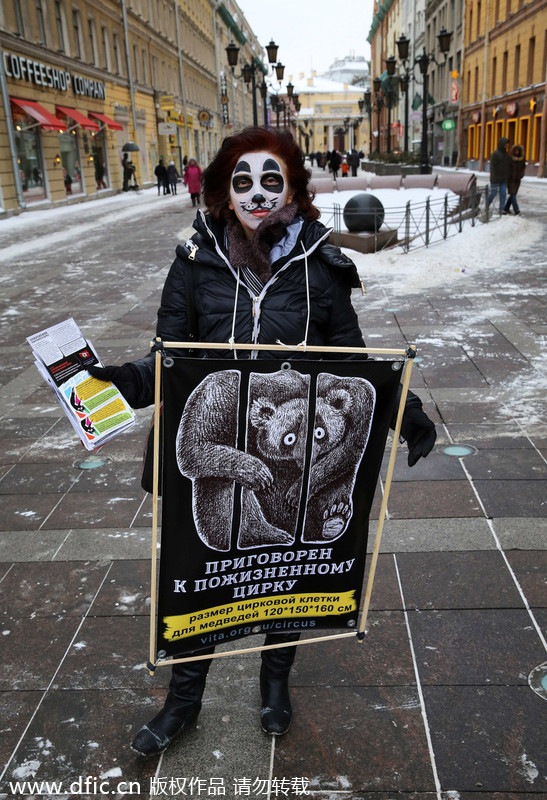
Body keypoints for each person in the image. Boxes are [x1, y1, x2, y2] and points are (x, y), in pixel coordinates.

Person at [88, 126, 436, 757]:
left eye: (270, 180)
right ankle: (183, 702)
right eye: (241, 181)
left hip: (296, 457)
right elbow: (167, 358)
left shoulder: (321, 268)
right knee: (198, 577)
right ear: (223, 191)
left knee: (286, 576)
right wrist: (123, 382)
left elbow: (352, 362)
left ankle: (275, 682)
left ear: (294, 192)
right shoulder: (193, 264)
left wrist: (404, 411)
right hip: (216, 463)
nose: (255, 193)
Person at [486, 137, 511, 214]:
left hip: (503, 179)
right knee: (493, 193)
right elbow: (492, 167)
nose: (508, 145)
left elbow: (508, 166)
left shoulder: (506, 154)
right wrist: (493, 177)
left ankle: (502, 209)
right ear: (502, 144)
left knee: (503, 194)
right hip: (495, 179)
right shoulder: (495, 154)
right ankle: (487, 204)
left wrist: (508, 175)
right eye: (506, 144)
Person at [503, 143, 526, 215]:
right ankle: (517, 210)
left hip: (517, 180)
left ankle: (506, 208)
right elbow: (507, 168)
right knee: (513, 194)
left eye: (518, 151)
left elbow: (523, 167)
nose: (517, 152)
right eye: (515, 151)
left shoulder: (522, 159)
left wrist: (521, 175)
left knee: (513, 195)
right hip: (510, 180)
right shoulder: (510, 159)